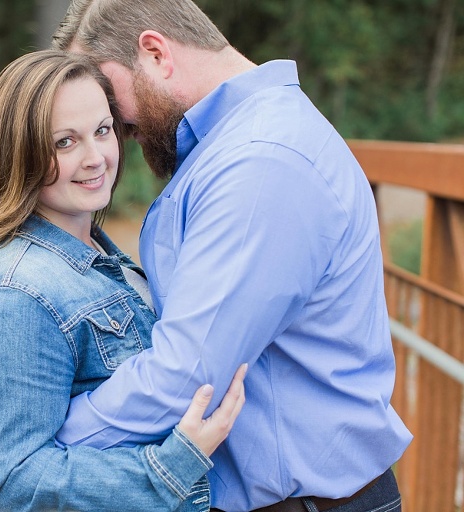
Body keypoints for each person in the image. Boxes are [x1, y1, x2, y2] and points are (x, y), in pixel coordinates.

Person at [51, 1, 413, 511]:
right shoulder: (232, 145)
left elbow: (184, 374)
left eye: (109, 95)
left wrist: (43, 448)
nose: (113, 120)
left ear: (154, 52)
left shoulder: (261, 160)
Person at [0, 49, 247, 512]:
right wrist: (173, 466)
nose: (96, 158)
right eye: (65, 142)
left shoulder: (101, 257)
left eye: (102, 131)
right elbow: (20, 479)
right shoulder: (15, 291)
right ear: (20, 151)